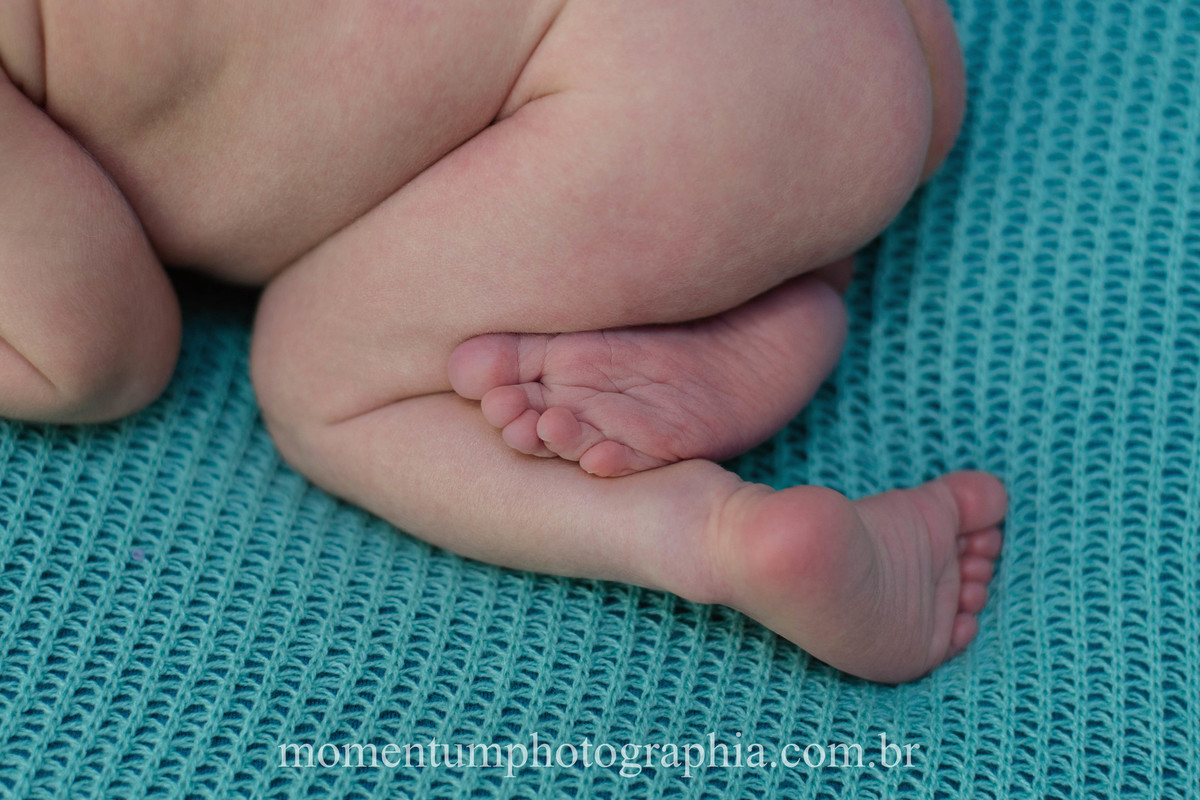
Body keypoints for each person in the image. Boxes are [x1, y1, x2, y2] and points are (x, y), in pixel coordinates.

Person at [0, 0, 1006, 682]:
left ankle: (713, 537)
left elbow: (96, 349)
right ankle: (787, 286)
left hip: (641, 106)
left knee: (316, 377)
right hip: (882, 46)